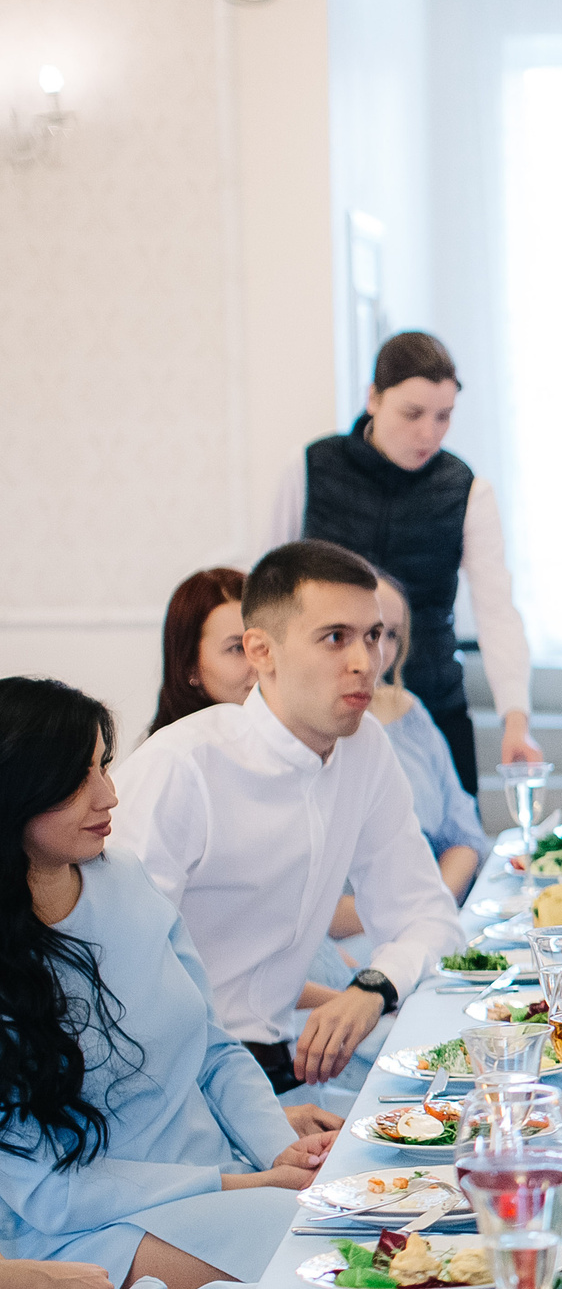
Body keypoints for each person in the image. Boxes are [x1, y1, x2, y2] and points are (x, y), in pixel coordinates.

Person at [0, 677, 324, 1289]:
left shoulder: (121, 880)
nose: (110, 795)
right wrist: (246, 1188)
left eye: (104, 767)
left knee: (360, 1206)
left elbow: (212, 1049)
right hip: (85, 1231)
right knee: (328, 1249)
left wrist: (285, 1153)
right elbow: (49, 1192)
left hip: (218, 1183)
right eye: (78, 778)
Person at [110, 541, 462, 1091]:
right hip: (177, 1078)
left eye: (372, 636)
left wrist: (372, 988)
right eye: (334, 638)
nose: (364, 662)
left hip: (282, 1062)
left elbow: (429, 916)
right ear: (261, 651)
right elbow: (122, 976)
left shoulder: (365, 747)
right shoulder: (181, 765)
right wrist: (246, 1116)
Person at [269, 331, 540, 793]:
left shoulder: (468, 489)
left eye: (444, 417)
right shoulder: (311, 467)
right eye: (412, 413)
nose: (428, 433)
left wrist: (515, 718)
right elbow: (266, 591)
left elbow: (497, 611)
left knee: (455, 848)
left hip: (431, 704)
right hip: (322, 713)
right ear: (373, 398)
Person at [370, 575, 492, 901]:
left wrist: (436, 906)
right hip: (357, 936)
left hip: (432, 909)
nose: (381, 650)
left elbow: (462, 833)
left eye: (392, 634)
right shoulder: (316, 731)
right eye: (371, 633)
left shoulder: (409, 710)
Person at [149, 568, 253, 732]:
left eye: (265, 644)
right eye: (238, 648)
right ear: (191, 668)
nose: (260, 661)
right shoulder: (173, 753)